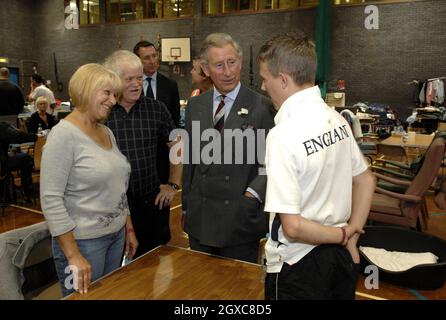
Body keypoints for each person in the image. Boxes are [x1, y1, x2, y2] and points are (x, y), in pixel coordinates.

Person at [257, 31, 376, 300]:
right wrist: (351, 237)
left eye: (265, 79)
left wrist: (345, 233)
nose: (263, 87)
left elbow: (293, 227)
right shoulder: (336, 119)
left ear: (283, 80)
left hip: (297, 268)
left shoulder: (282, 135)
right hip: (340, 258)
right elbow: (366, 180)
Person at [40, 63, 138, 297]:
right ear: (85, 90)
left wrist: (129, 227)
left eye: (115, 95)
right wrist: (73, 254)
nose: (113, 101)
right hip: (83, 243)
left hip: (116, 238)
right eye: (107, 93)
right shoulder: (63, 136)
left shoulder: (106, 131)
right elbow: (51, 200)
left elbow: (118, 186)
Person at [182, 33, 275, 263]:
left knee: (238, 290)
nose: (227, 72)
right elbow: (191, 162)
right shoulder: (195, 105)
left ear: (241, 62)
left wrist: (251, 195)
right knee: (200, 286)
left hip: (239, 221)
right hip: (200, 219)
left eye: (232, 63)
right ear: (205, 68)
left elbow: (272, 162)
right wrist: (186, 206)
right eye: (219, 65)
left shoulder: (262, 106)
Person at [104, 50, 182, 258]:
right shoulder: (102, 112)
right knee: (115, 272)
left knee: (152, 264)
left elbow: (177, 146)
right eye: (128, 79)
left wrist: (173, 184)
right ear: (113, 80)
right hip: (111, 206)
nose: (136, 84)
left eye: (139, 78)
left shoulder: (156, 109)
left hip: (151, 203)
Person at [0, 121, 36, 203]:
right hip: (2, 165)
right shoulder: (1, 127)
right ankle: (27, 194)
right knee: (26, 158)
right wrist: (35, 136)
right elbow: (17, 137)